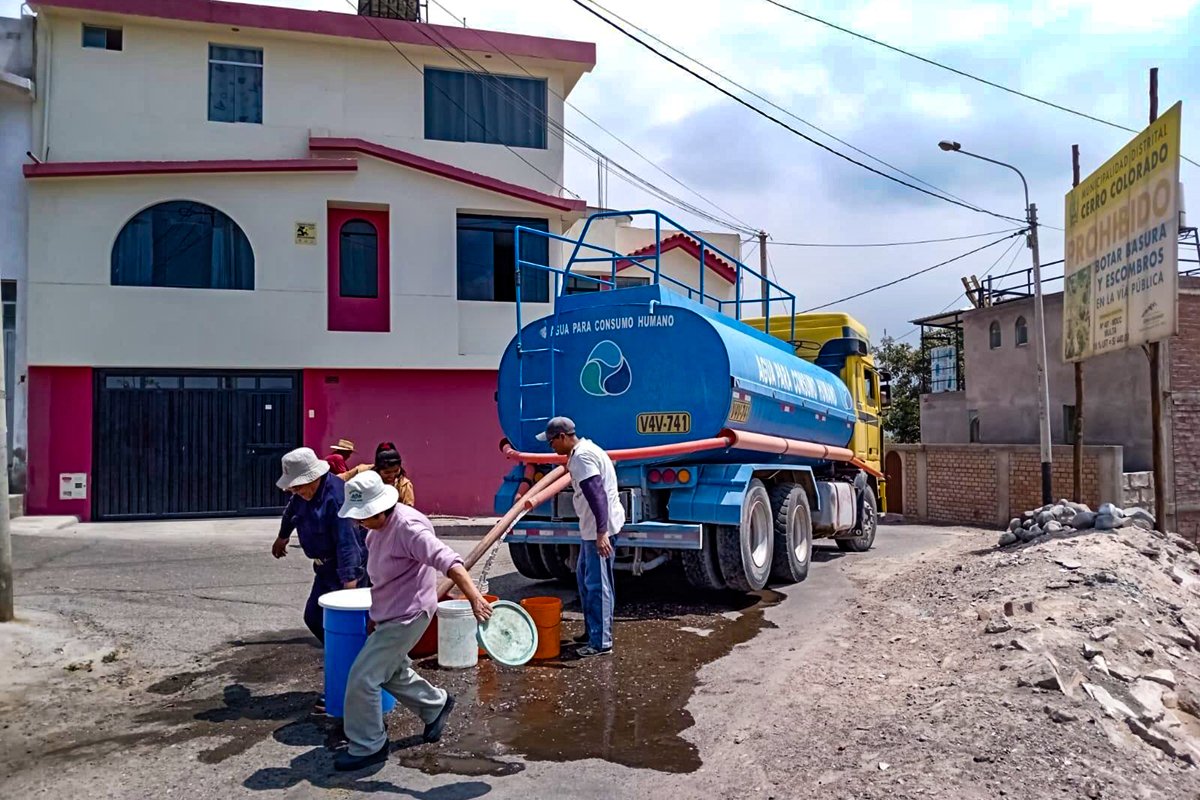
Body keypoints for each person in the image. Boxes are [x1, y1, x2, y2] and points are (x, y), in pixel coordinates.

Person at [333, 471, 492, 771]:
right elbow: (382, 580)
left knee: (363, 677)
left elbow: (450, 561)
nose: (358, 522)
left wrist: (473, 597)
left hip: (409, 615)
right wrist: (373, 616)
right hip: (390, 613)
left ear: (380, 509)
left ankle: (368, 745)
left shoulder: (408, 527)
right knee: (390, 672)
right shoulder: (376, 530)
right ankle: (435, 706)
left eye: (363, 516)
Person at [539, 416, 624, 657]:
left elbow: (598, 496)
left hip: (599, 529)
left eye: (552, 442)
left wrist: (601, 533)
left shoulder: (582, 458)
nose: (551, 447)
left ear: (563, 437)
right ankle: (593, 631)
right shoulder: (584, 451)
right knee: (586, 580)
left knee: (598, 585)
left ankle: (601, 642)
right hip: (592, 528)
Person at [272, 447, 365, 646]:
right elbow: (291, 512)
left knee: (349, 622)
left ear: (313, 478)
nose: (295, 492)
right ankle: (338, 652)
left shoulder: (337, 498)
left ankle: (353, 659)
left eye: (297, 488)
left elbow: (348, 543)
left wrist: (350, 586)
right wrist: (282, 536)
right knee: (314, 617)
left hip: (345, 570)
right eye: (293, 489)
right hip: (324, 568)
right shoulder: (302, 494)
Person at [340, 442, 416, 507]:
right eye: (387, 472)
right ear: (378, 469)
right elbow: (337, 480)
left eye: (396, 471)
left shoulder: (404, 486)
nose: (392, 476)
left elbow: (408, 511)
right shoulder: (362, 472)